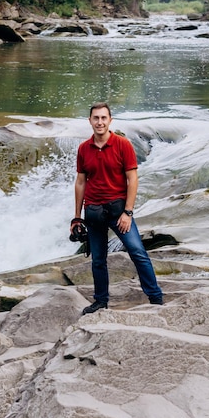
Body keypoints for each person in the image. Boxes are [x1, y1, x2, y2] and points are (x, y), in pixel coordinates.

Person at [72, 101, 163, 314]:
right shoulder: (84, 149)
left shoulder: (123, 145)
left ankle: (156, 298)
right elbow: (80, 182)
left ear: (110, 120)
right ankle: (100, 301)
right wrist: (77, 217)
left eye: (104, 118)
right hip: (94, 212)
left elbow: (133, 180)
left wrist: (128, 212)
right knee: (98, 260)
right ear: (90, 121)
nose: (100, 122)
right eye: (96, 118)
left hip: (118, 211)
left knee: (137, 251)